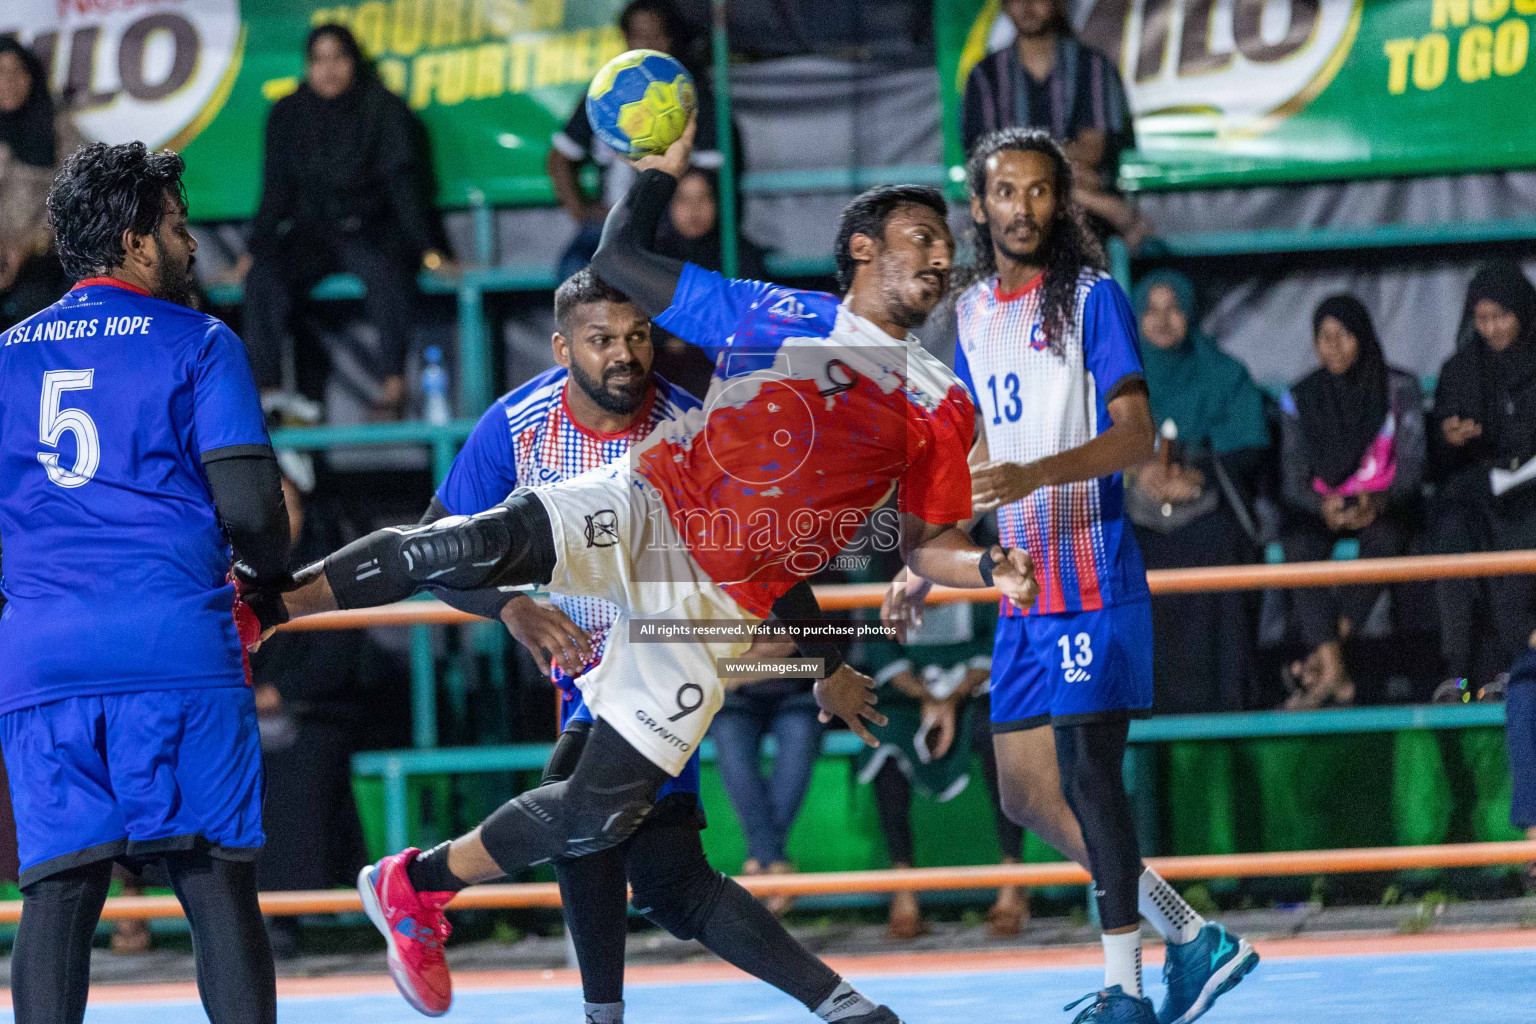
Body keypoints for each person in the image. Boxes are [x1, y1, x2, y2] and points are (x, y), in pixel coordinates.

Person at [254, 115, 1039, 1018]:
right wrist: (656, 173)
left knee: (601, 825)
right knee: (466, 541)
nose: (942, 259)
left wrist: (991, 566)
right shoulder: (773, 311)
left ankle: (418, 883)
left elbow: (928, 545)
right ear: (861, 251)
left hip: (699, 615)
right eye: (921, 241)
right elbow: (622, 256)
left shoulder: (943, 408)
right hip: (651, 499)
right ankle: (270, 607)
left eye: (947, 246)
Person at [424, 266, 897, 1023]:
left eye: (638, 335)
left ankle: (416, 884)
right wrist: (513, 607)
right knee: (646, 864)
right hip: (584, 676)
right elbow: (436, 555)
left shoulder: (694, 430)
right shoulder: (513, 427)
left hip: (668, 666)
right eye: (601, 339)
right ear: (561, 348)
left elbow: (771, 562)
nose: (624, 354)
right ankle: (843, 1008)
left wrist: (827, 665)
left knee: (601, 833)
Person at [884, 127, 1257, 1024]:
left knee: (1090, 776)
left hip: (1092, 576)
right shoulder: (969, 313)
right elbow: (973, 452)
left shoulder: (1093, 299)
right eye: (1005, 191)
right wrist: (933, 560)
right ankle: (1193, 938)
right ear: (980, 206)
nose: (1023, 207)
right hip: (1018, 587)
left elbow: (1134, 435)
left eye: (1041, 190)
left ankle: (1125, 989)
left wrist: (1036, 474)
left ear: (1062, 203)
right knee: (1024, 792)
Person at [0, 142, 289, 1023]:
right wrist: (265, 582)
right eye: (177, 226)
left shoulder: (3, 354)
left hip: (41, 661)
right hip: (174, 649)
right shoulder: (202, 341)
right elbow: (253, 513)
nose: (191, 244)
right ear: (133, 241)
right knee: (215, 891)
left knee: (56, 898)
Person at [235, 24, 447, 417]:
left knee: (387, 270)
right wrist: (252, 253)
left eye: (338, 58)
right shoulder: (288, 114)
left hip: (372, 229)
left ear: (353, 62)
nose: (328, 69)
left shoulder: (384, 109)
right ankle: (263, 392)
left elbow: (404, 187)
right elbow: (276, 191)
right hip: (312, 235)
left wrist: (431, 250)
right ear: (307, 66)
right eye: (319, 60)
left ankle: (392, 386)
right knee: (265, 275)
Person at [1126, 270, 1269, 712]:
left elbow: (1247, 446)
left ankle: (1221, 703)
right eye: (1150, 309)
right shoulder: (1113, 378)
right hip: (1135, 515)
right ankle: (1134, 706)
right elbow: (1086, 445)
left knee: (1222, 547)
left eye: (1174, 309)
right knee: (1114, 555)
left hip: (1203, 512)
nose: (1163, 320)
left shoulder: (1222, 373)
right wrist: (1136, 473)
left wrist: (1201, 475)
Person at [1279, 295, 1425, 710]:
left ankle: (1324, 665)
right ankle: (1336, 673)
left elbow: (1414, 468)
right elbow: (1292, 480)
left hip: (1382, 504)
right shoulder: (1301, 397)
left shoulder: (1398, 387)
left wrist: (1377, 502)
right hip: (1324, 507)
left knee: (1387, 540)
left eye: (1343, 335)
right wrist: (1321, 506)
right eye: (1323, 338)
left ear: (1362, 336)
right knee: (1298, 547)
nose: (1334, 347)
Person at [252, 471, 375, 959]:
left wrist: (280, 692)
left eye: (290, 508)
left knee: (301, 761)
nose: (280, 523)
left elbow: (340, 655)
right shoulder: (224, 575)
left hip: (311, 710)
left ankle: (284, 917)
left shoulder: (327, 570)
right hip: (232, 713)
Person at [857, 600, 1030, 940]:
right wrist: (928, 699)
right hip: (908, 699)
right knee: (883, 738)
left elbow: (997, 641)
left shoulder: (980, 566)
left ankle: (1013, 882)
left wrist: (951, 700)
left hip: (976, 694)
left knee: (999, 733)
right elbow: (881, 650)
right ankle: (903, 889)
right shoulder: (886, 567)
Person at [549, 0, 727, 281]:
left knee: (673, 280)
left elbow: (711, 177)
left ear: (670, 40)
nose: (650, 44)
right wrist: (582, 211)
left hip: (669, 228)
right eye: (640, 37)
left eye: (658, 35)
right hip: (611, 223)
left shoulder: (692, 99)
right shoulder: (604, 96)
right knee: (574, 271)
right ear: (627, 40)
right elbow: (559, 158)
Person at [960, 0, 1148, 246]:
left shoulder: (1092, 66)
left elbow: (1093, 151)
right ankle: (1095, 203)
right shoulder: (985, 76)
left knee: (1077, 190)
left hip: (1081, 213)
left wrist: (1028, 165)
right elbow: (987, 161)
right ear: (1004, 6)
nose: (1026, 7)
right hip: (1013, 209)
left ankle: (1083, 201)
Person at [1429, 262, 1536, 692]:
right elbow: (1436, 463)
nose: (1491, 328)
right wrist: (1451, 439)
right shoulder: (1461, 369)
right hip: (1480, 487)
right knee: (1451, 530)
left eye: (1501, 316)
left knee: (1518, 535)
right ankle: (1459, 673)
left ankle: (1518, 668)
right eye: (1481, 318)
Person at [650, 167, 766, 398]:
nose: (694, 209)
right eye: (683, 199)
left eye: (704, 198)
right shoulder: (653, 258)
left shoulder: (741, 254)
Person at [0, 38, 83, 330]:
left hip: (46, 259)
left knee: (35, 306)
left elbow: (79, 200)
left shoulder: (58, 131)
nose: (8, 81)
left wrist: (29, 245)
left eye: (17, 71)